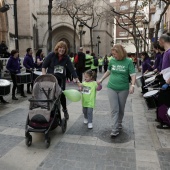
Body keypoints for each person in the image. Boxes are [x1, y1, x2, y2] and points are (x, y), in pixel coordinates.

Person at [97, 44, 136, 137]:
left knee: (121, 109)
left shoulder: (128, 61)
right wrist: (101, 79)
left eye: (115, 54)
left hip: (123, 89)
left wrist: (133, 85)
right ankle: (114, 129)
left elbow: (133, 74)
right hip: (111, 87)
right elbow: (109, 71)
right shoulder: (112, 60)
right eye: (113, 54)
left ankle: (119, 123)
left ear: (121, 53)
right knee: (115, 109)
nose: (114, 56)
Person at [42, 41, 81, 120]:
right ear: (57, 48)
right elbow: (44, 66)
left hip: (60, 79)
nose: (62, 49)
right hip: (51, 79)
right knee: (49, 94)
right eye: (60, 47)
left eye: (63, 48)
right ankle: (48, 111)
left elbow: (72, 69)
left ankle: (65, 110)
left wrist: (78, 81)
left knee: (62, 94)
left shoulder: (66, 57)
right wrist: (44, 77)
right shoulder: (51, 55)